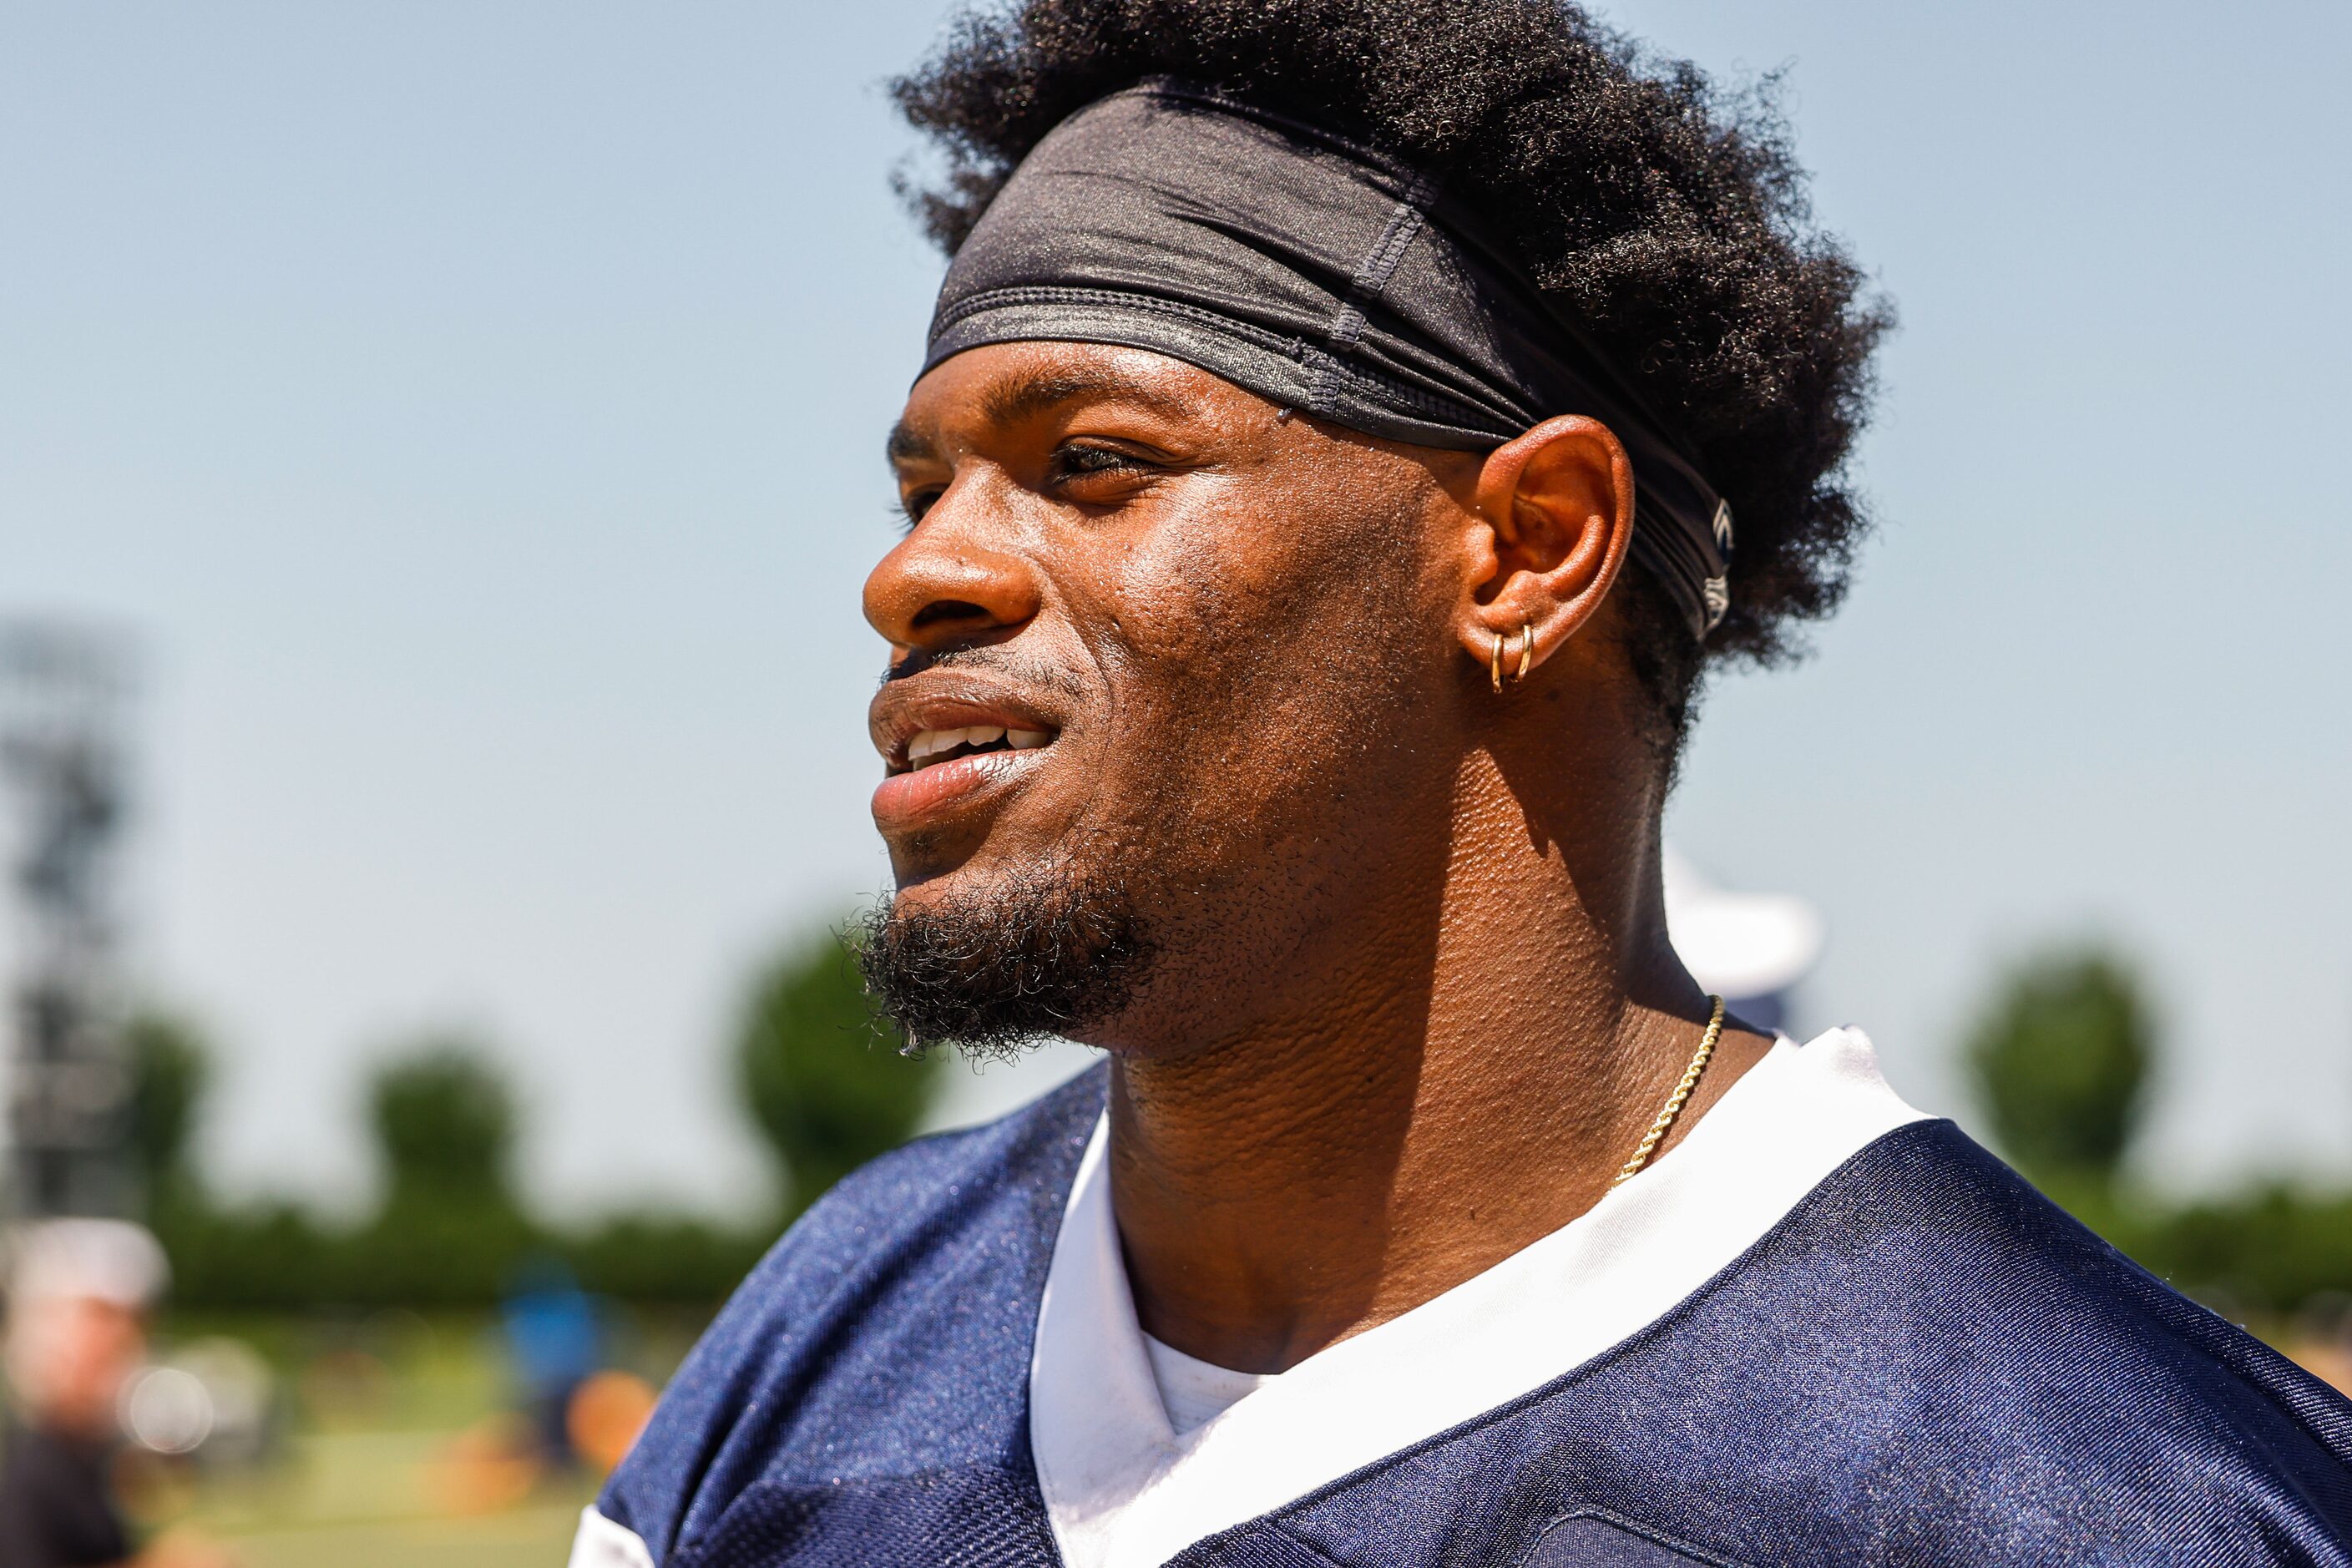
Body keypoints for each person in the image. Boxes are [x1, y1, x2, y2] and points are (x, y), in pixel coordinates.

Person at [574, 2, 2352, 1562]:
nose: (917, 576)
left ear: (1527, 549)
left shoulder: (2112, 1500)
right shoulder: (825, 1339)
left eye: (1091, 462)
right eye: (918, 492)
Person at [0, 1221, 231, 1568]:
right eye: (102, 1319)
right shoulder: (25, 1473)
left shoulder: (85, 1455)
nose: (124, 1339)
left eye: (134, 1321)